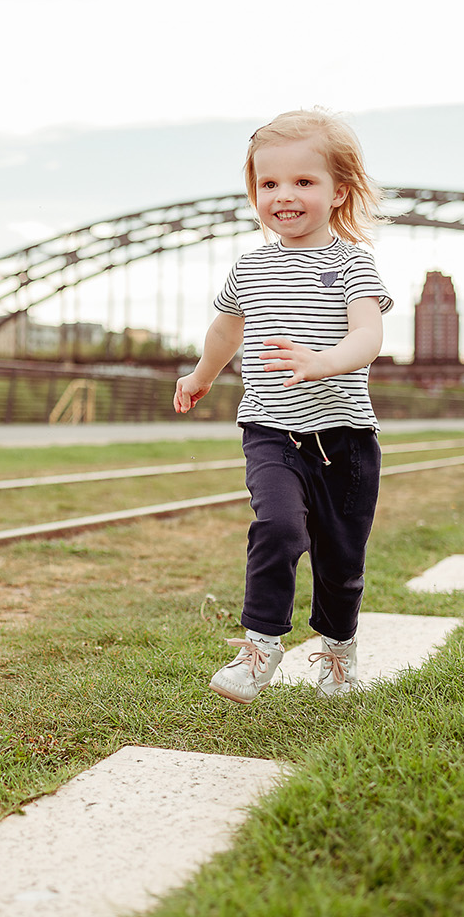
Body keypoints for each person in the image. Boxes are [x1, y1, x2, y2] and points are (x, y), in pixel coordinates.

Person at [173, 109, 391, 704]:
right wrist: (200, 376)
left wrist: (323, 360)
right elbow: (226, 331)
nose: (284, 196)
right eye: (268, 184)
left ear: (338, 191)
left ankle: (338, 654)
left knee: (341, 561)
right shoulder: (249, 265)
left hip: (345, 439)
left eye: (303, 182)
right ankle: (261, 645)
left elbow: (368, 335)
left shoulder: (352, 263)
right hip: (271, 430)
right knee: (276, 527)